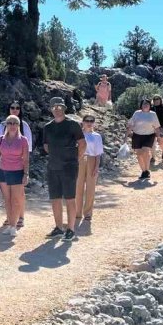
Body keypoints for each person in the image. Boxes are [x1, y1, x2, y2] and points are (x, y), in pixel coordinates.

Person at [41, 97, 85, 241]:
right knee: (55, 198)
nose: (57, 109)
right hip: (53, 167)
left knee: (70, 198)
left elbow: (82, 144)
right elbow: (46, 146)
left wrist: (75, 159)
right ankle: (59, 227)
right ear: (51, 109)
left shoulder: (72, 125)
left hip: (69, 166)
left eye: (59, 106)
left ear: (64, 108)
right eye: (54, 107)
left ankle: (71, 229)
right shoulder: (48, 127)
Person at [0, 115, 29, 239]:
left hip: (17, 171)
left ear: (18, 125)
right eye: (10, 123)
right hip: (3, 171)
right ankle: (10, 224)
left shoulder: (23, 140)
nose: (13, 125)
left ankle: (14, 226)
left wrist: (26, 174)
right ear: (6, 125)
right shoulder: (0, 139)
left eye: (15, 123)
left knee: (15, 200)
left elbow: (26, 159)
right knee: (7, 199)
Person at [74, 116, 103, 223]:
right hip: (79, 160)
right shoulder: (78, 134)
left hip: (92, 160)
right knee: (78, 187)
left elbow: (98, 153)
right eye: (87, 121)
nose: (89, 123)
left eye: (92, 121)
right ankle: (77, 212)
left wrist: (96, 167)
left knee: (90, 187)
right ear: (83, 122)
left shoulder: (97, 136)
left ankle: (88, 212)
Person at [127, 98, 159, 181]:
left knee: (145, 152)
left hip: (149, 136)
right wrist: (125, 136)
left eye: (147, 104)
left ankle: (147, 170)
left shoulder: (153, 114)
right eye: (144, 104)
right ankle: (144, 171)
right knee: (139, 154)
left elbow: (157, 127)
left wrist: (158, 137)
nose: (145, 105)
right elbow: (131, 124)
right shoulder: (137, 113)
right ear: (141, 105)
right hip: (137, 135)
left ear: (150, 105)